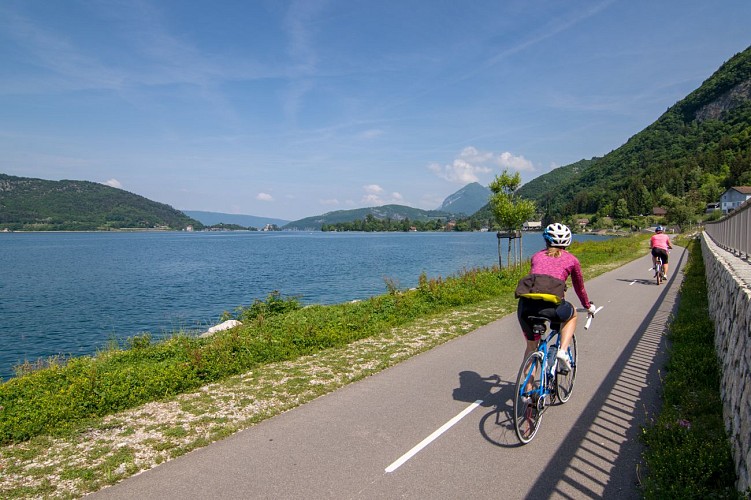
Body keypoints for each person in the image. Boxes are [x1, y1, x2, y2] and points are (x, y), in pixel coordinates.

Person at [516, 223, 596, 373]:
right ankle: (563, 351)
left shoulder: (536, 256)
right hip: (552, 308)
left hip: (526, 306)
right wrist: (587, 305)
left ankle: (528, 390)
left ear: (546, 240)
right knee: (572, 314)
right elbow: (580, 288)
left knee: (531, 347)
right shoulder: (572, 260)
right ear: (568, 242)